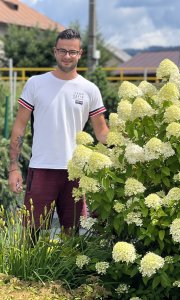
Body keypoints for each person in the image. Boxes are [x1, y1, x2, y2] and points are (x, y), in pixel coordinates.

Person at [8, 28, 109, 232]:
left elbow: (102, 132)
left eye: (72, 52)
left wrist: (126, 141)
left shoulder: (90, 89)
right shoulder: (36, 84)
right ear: (55, 51)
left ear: (80, 54)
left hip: (75, 172)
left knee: (72, 236)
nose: (67, 56)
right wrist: (13, 168)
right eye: (62, 51)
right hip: (42, 167)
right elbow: (20, 126)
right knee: (30, 235)